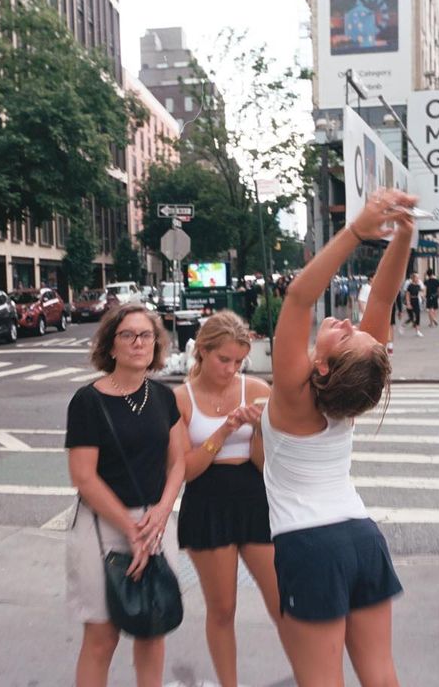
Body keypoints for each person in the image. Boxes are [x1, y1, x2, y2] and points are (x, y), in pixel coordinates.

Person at [263, 187, 415, 686]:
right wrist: (404, 235)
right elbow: (383, 298)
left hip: (310, 545)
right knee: (381, 675)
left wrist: (356, 232)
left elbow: (299, 295)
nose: (349, 322)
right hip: (361, 538)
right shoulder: (344, 395)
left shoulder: (295, 394)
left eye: (347, 334)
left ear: (324, 365)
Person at [65, 303, 187, 687]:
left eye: (146, 335)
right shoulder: (88, 401)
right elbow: (83, 477)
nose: (138, 342)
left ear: (156, 344)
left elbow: (178, 462)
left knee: (153, 630)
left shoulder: (163, 397)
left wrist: (163, 511)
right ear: (111, 346)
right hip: (102, 527)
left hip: (155, 525)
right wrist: (131, 530)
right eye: (128, 335)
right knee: (102, 637)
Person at [174, 311, 282, 686]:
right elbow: (187, 470)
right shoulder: (180, 399)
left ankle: (312, 674)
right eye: (224, 359)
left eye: (238, 361)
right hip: (207, 503)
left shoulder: (257, 388)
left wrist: (258, 430)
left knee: (283, 602)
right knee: (222, 609)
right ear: (202, 351)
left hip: (254, 497)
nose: (231, 369)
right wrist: (225, 430)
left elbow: (265, 464)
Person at [405, 272, 423, 337]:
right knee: (411, 318)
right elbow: (407, 295)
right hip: (411, 300)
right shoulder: (410, 286)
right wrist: (408, 303)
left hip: (416, 300)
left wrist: (422, 295)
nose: (418, 279)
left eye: (418, 277)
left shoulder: (418, 286)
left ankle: (417, 331)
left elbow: (422, 291)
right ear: (413, 278)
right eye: (417, 277)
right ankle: (403, 326)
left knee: (418, 316)